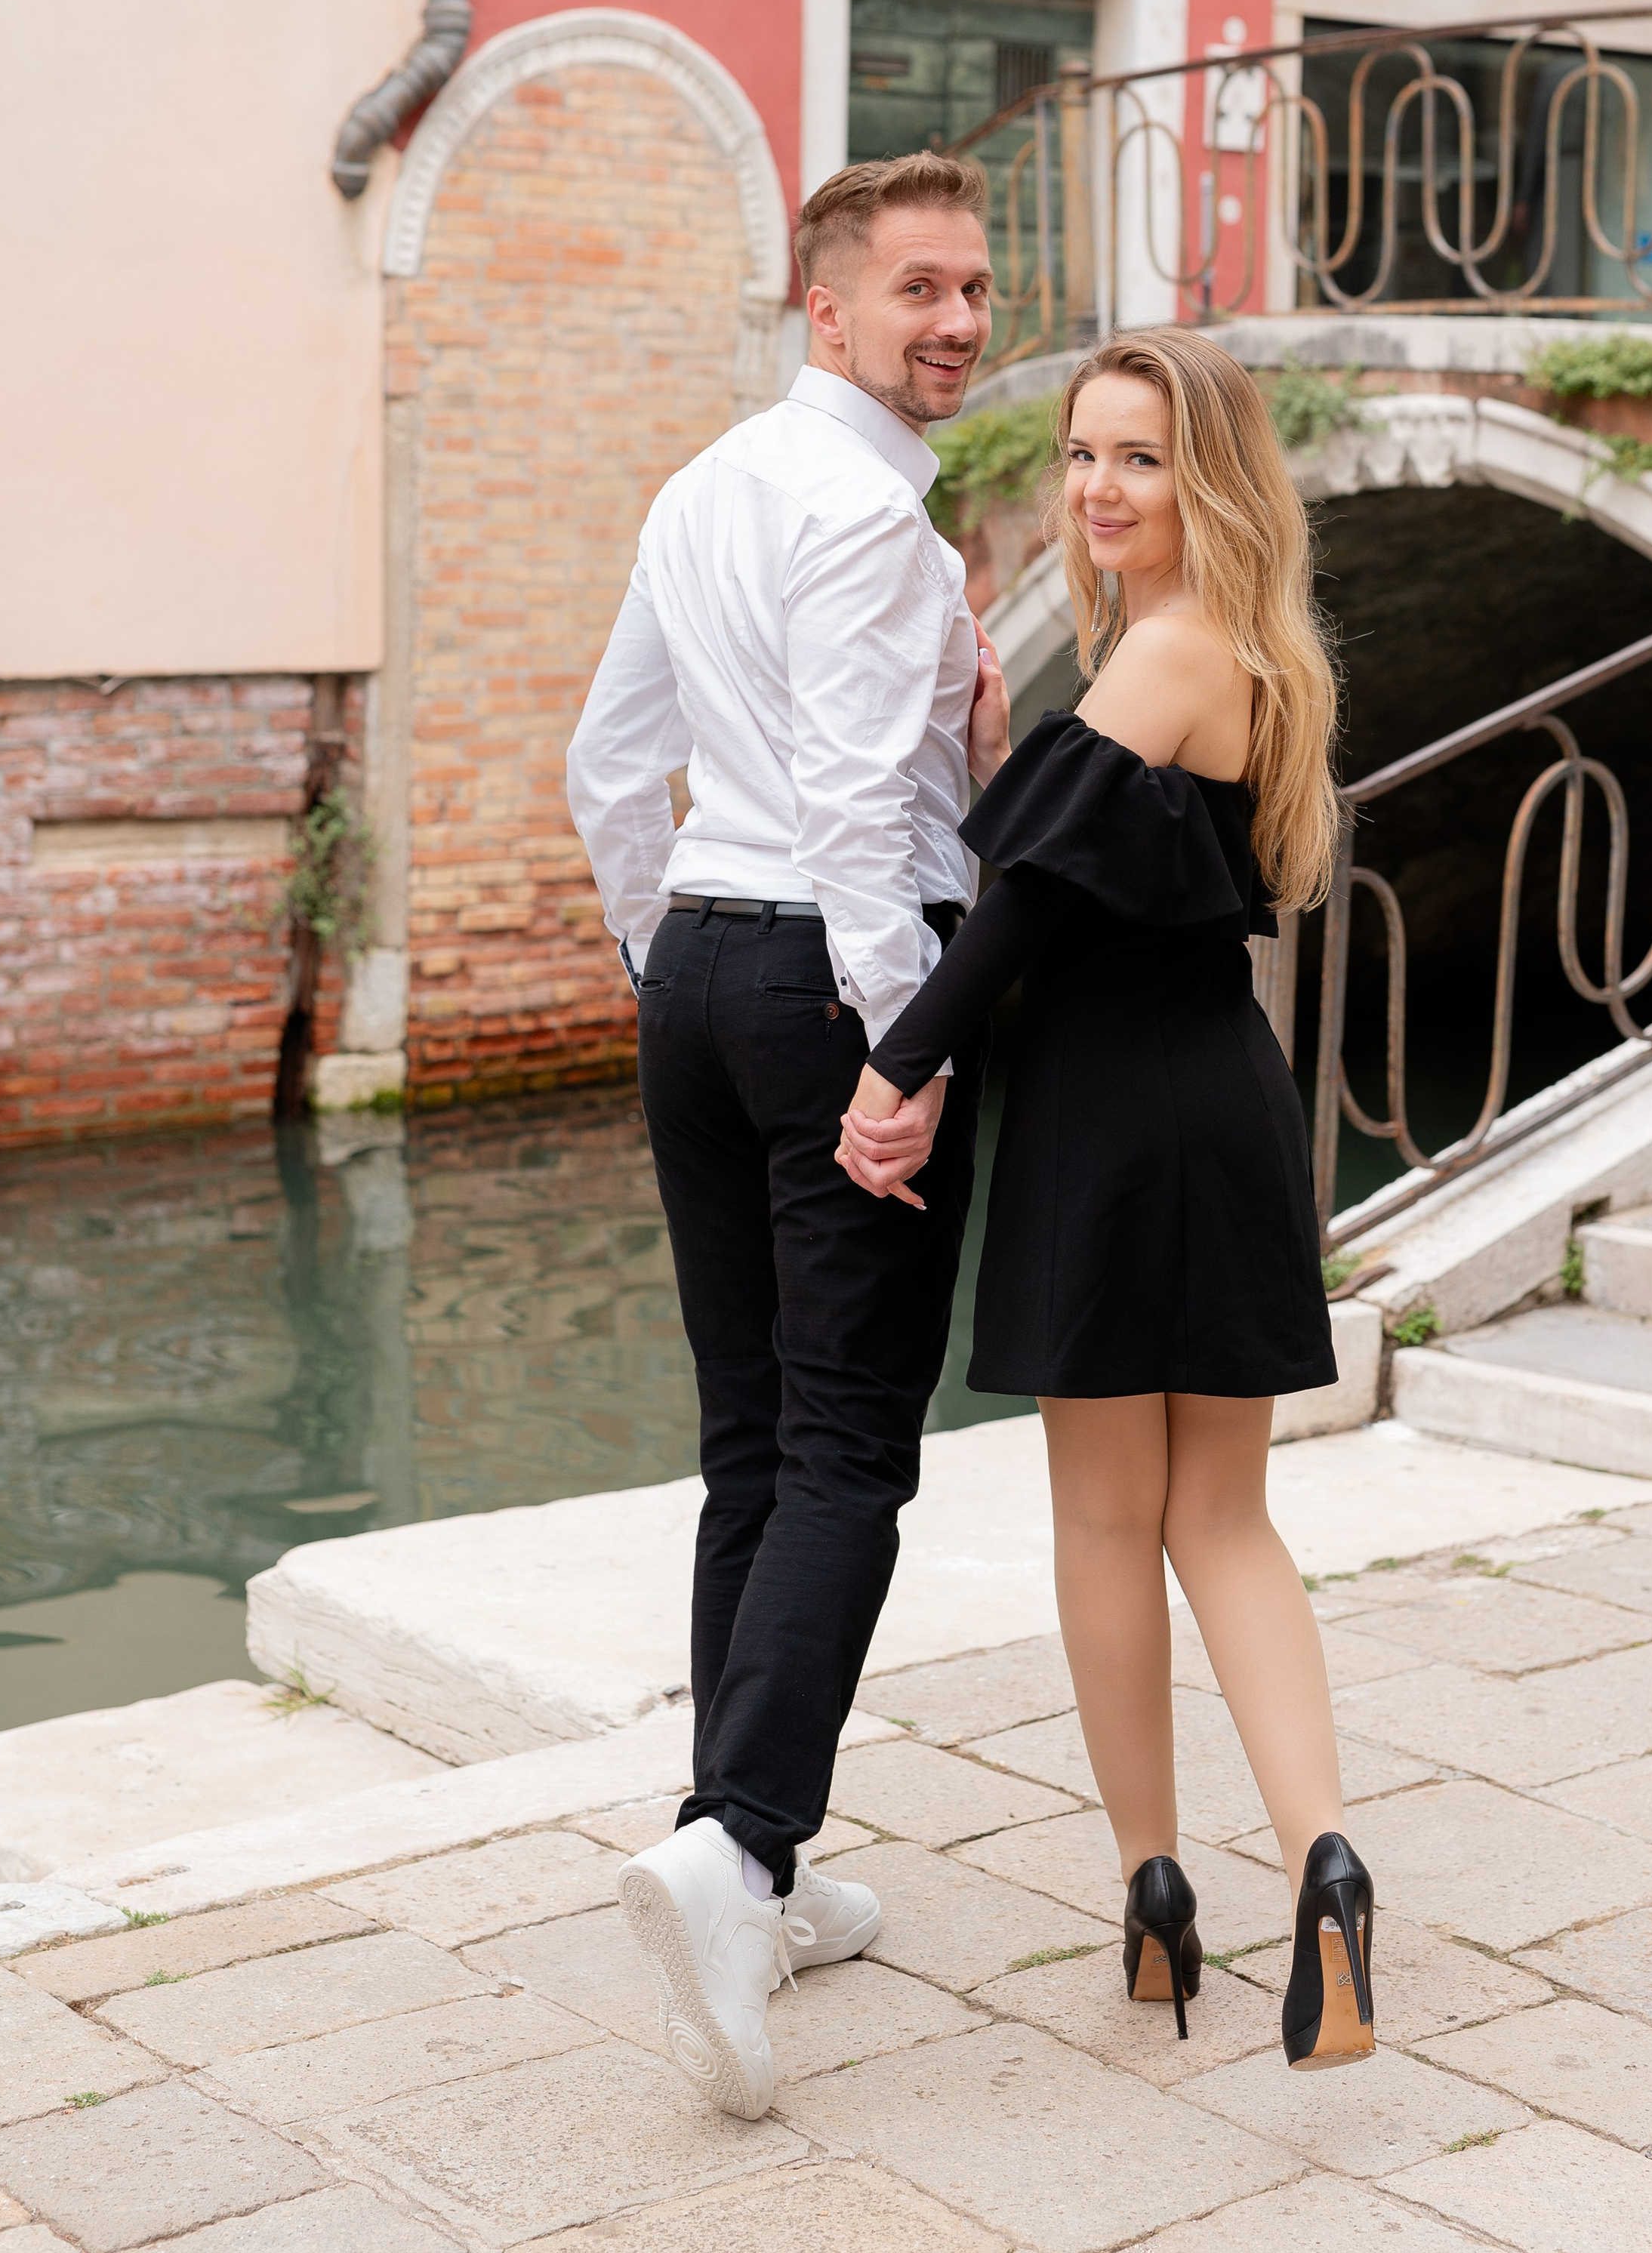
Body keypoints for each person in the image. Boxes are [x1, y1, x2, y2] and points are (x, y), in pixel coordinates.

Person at [839, 327, 1377, 2070]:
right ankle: (1326, 1864)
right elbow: (1104, 849)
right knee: (1223, 1521)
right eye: (1079, 453)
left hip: (1105, 1115)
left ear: (1202, 474)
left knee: (1102, 1523)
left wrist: (894, 1065)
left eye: (1135, 456)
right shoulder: (1256, 657)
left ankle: (1153, 1888)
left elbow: (1013, 917)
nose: (1093, 486)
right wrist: (1024, 741)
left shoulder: (1164, 649)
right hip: (1219, 1099)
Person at [566, 149, 1009, 2122]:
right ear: (822, 310)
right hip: (831, 982)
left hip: (701, 978)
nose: (958, 320)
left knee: (751, 1440)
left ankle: (742, 1848)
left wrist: (672, 966)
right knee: (845, 1449)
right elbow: (853, 815)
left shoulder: (702, 486)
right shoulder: (870, 522)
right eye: (919, 288)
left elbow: (606, 766)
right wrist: (895, 1049)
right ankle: (742, 1847)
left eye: (977, 287)